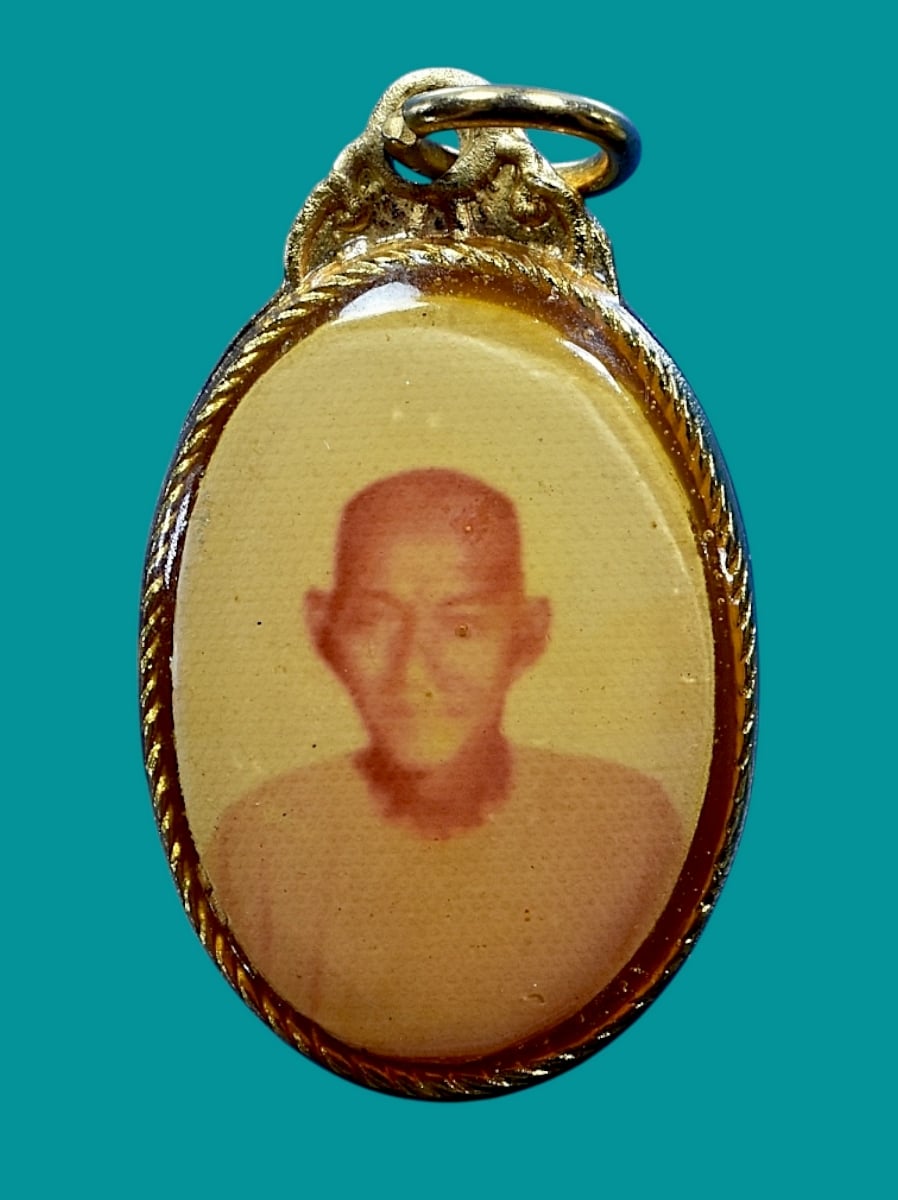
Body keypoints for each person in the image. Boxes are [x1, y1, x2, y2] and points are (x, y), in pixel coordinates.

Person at [207, 468, 685, 1059]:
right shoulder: (261, 848)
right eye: (373, 621)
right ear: (323, 627)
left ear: (528, 634)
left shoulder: (627, 830)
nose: (414, 672)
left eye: (462, 627)